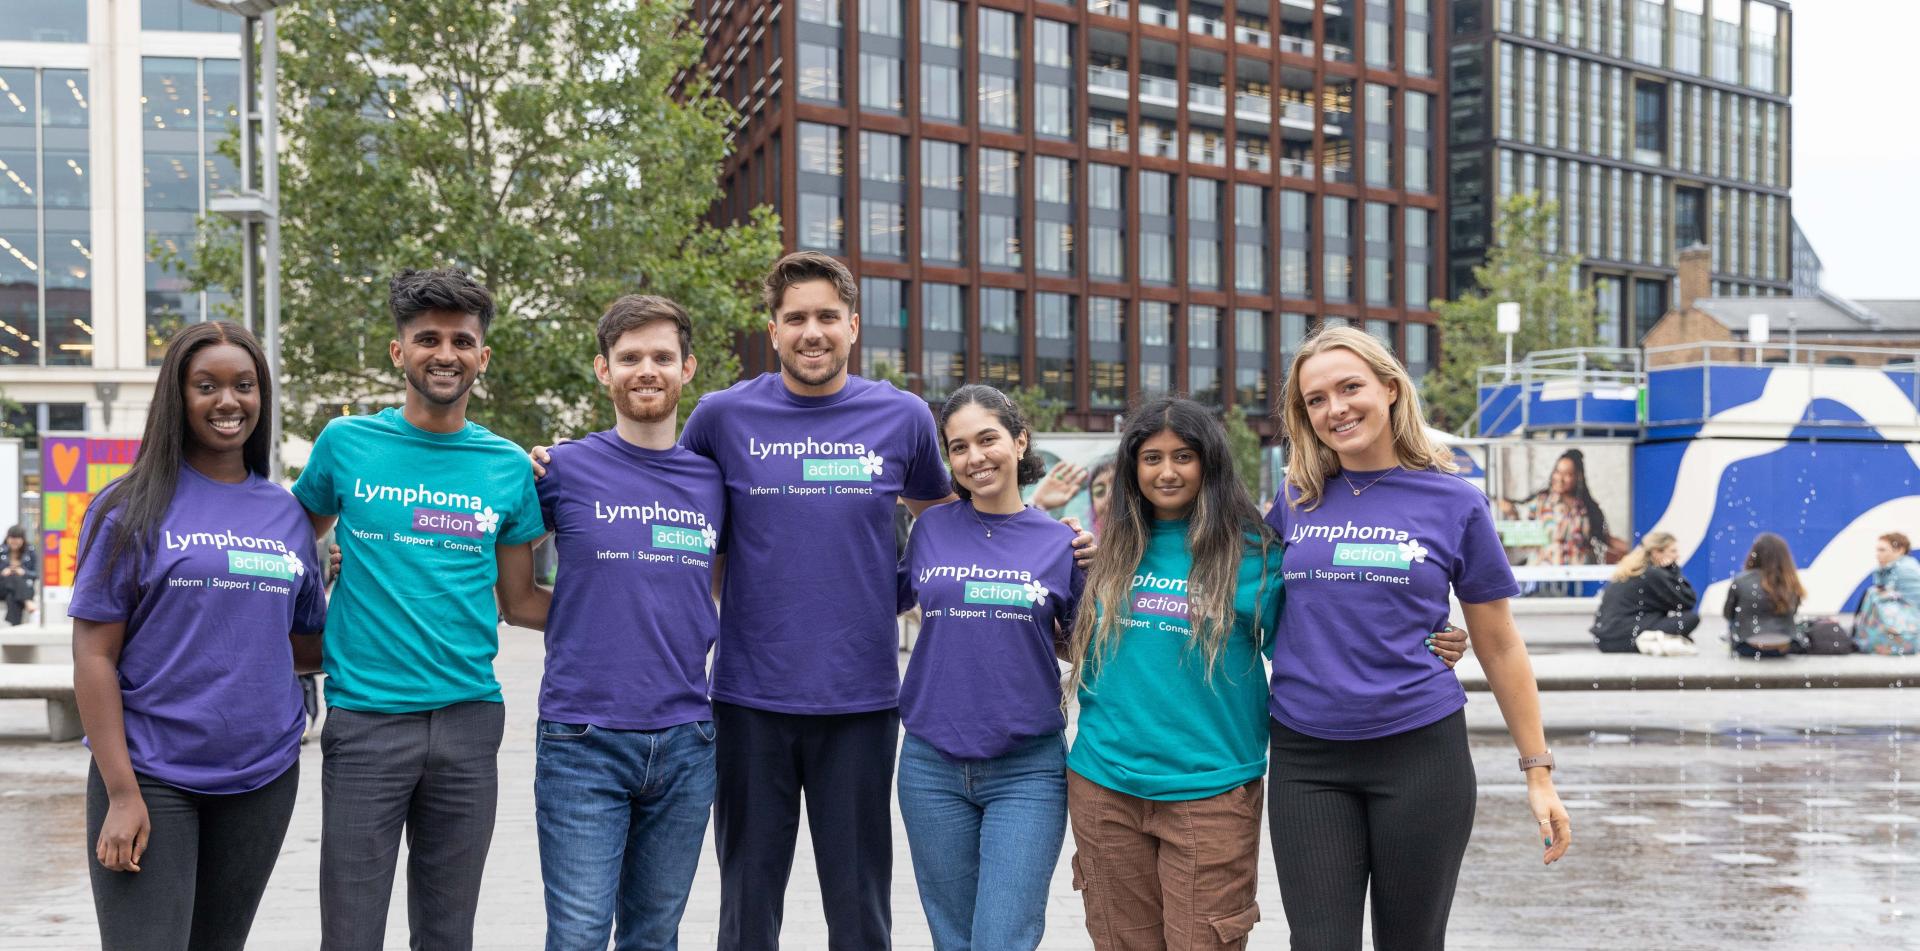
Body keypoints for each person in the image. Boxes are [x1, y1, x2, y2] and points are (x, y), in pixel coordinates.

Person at [673, 251, 956, 950]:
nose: (812, 331)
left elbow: (949, 523)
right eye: (795, 317)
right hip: (747, 700)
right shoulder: (720, 417)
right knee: (746, 903)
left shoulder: (903, 417)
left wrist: (1040, 530)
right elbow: (676, 513)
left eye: (827, 316)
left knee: (860, 909)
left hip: (860, 701)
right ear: (773, 331)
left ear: (853, 326)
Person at [1267, 326, 1571, 950]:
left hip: (1419, 754)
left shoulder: (1454, 502)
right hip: (1306, 757)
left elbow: (1501, 643)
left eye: (1350, 388)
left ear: (1390, 388)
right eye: (1316, 400)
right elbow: (1239, 597)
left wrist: (1538, 771)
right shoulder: (1295, 500)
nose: (1335, 409)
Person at [293, 268, 548, 950]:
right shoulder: (345, 443)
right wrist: (314, 602)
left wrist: (639, 597)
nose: (446, 352)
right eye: (427, 337)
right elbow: (288, 542)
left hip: (469, 724)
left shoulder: (507, 465)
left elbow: (522, 601)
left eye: (462, 340)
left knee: (447, 936)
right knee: (350, 935)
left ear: (482, 357)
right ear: (397, 351)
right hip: (365, 721)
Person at [69, 321, 326, 951]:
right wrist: (123, 795)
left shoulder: (286, 514)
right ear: (177, 397)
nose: (228, 401)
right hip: (151, 774)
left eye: (244, 385)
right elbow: (93, 656)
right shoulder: (128, 508)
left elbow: (301, 646)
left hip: (261, 779)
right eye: (206, 385)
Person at [529, 295, 726, 949]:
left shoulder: (713, 481)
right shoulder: (561, 469)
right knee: (580, 933)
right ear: (603, 371)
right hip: (583, 738)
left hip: (687, 742)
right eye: (631, 357)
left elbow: (717, 586)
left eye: (663, 356)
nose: (648, 369)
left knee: (655, 935)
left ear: (688, 368)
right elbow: (500, 573)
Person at [1060, 396, 1283, 950]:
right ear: (1132, 468)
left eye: (1183, 456)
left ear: (1208, 463)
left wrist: (1434, 639)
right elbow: (1059, 636)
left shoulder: (1254, 553)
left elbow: (1316, 644)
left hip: (1210, 791)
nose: (1166, 471)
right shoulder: (1104, 552)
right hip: (1105, 786)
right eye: (1151, 457)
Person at [895, 384, 1083, 951]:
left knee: (1003, 937)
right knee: (952, 938)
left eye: (987, 439)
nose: (974, 457)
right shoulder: (930, 530)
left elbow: (1084, 648)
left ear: (1019, 441)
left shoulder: (1062, 543)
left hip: (1026, 770)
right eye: (958, 447)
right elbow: (885, 598)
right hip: (930, 765)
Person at [1499, 447, 1615, 565]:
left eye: (1567, 474)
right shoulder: (1541, 503)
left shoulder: (1586, 508)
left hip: (1580, 574)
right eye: (1557, 472)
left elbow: (1603, 539)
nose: (1560, 478)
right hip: (1546, 573)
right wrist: (1513, 515)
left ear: (1578, 477)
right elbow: (1525, 540)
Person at [1590, 531, 1700, 655]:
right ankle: (1652, 640)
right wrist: (1673, 570)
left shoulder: (1633, 570)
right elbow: (1687, 600)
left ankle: (1658, 639)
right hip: (1623, 638)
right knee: (1690, 618)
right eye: (1673, 551)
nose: (1677, 556)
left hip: (1605, 640)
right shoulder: (1653, 574)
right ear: (1656, 552)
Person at [1723, 533, 1803, 658]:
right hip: (1783, 646)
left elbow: (1728, 614)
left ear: (1754, 554)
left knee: (1734, 621)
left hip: (1748, 646)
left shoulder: (1741, 580)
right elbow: (1793, 612)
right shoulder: (1790, 582)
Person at [1856, 532, 1920, 655]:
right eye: (1877, 550)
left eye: (1882, 550)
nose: (1877, 554)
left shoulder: (1906, 570)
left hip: (1907, 632)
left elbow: (1916, 604)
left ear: (1900, 550)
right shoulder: (1888, 569)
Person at [1, 524, 38, 624]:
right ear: (7, 538)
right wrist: (2, 573)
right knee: (12, 576)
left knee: (12, 597)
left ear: (23, 539)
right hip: (2, 588)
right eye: (11, 538)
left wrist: (24, 572)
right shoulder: (1, 551)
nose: (14, 542)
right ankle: (28, 602)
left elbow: (37, 573)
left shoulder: (30, 551)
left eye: (17, 539)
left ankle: (14, 626)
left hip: (22, 588)